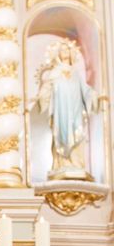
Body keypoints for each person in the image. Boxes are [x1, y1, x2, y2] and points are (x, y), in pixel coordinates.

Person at [32, 39, 96, 173]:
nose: (64, 52)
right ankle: (61, 163)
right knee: (61, 134)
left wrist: (93, 95)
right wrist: (41, 96)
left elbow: (85, 90)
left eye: (67, 49)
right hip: (61, 112)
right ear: (57, 54)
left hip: (75, 109)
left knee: (77, 134)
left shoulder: (76, 73)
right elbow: (47, 89)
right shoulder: (54, 72)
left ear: (72, 52)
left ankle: (76, 163)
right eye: (61, 50)